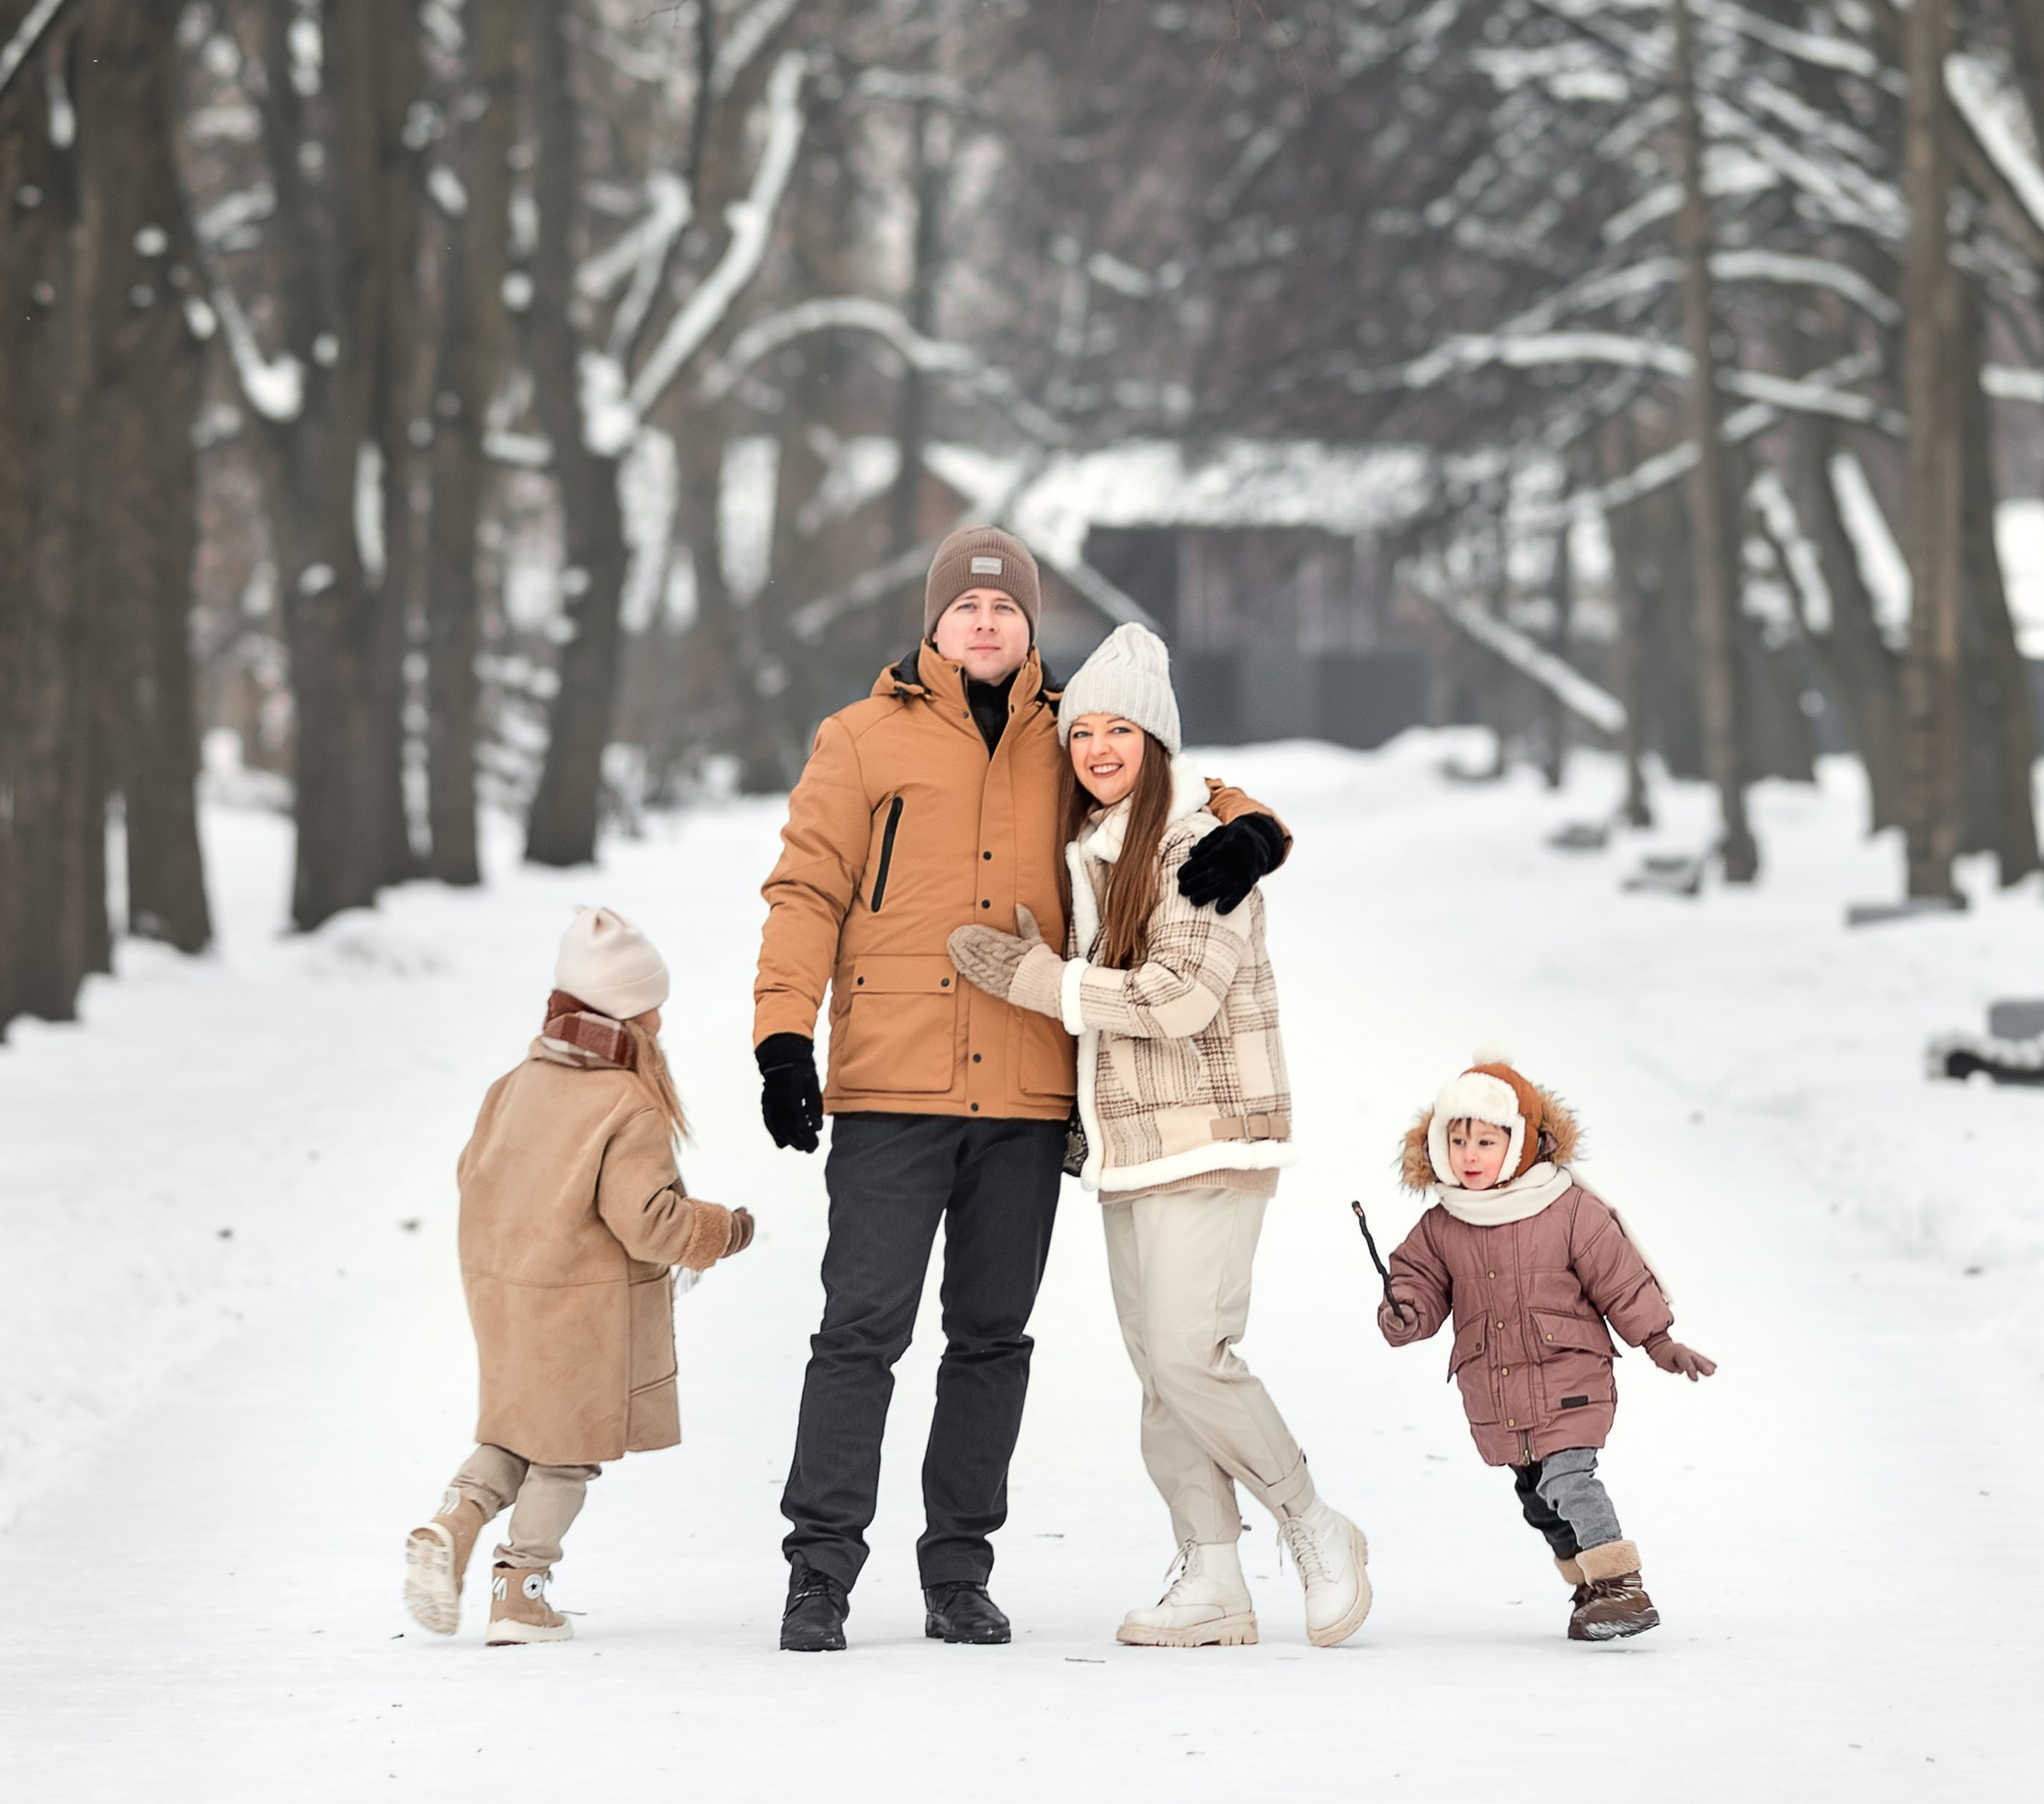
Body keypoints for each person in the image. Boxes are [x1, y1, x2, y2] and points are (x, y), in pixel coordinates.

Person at [753, 522, 1290, 1652]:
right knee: (860, 1330)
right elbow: (804, 889)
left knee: (990, 1338)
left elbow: (1181, 781)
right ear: (935, 621)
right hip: (892, 1086)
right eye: (966, 608)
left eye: (1005, 609)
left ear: (1030, 625)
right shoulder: (857, 739)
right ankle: (819, 1571)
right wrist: (782, 1040)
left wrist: (1252, 834)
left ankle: (958, 1569)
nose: (985, 623)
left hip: (1028, 1095)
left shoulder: (1069, 735)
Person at [948, 623, 1368, 1650]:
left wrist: (1041, 983)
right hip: (1130, 1145)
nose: (1096, 748)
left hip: (1210, 1135)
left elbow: (1180, 998)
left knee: (1190, 1353)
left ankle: (1313, 1522)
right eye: (1082, 730)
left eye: (1119, 730)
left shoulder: (1195, 845)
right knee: (1162, 1371)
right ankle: (1212, 1577)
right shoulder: (1093, 844)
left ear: (1157, 740)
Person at [404, 902, 754, 1646]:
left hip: (505, 1291)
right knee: (565, 1454)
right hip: (584, 1305)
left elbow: (473, 1176)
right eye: (651, 1006)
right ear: (626, 1013)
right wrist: (723, 1229)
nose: (660, 1022)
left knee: (516, 1430)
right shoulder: (626, 1100)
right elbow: (647, 1220)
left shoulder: (514, 1083)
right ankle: (520, 1594)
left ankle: (454, 1520)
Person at [1375, 1055, 1716, 1639]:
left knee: (1568, 1480)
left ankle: (1622, 1586)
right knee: (1539, 1500)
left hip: (1569, 1377)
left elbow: (1621, 1277)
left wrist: (1658, 1341)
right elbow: (1418, 1285)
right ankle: (1589, 1587)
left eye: (1486, 1140)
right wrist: (1404, 1313)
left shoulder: (1566, 1208)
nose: (1471, 1155)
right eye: (1458, 1142)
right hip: (1500, 1390)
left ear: (1520, 1142)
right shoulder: (1443, 1225)